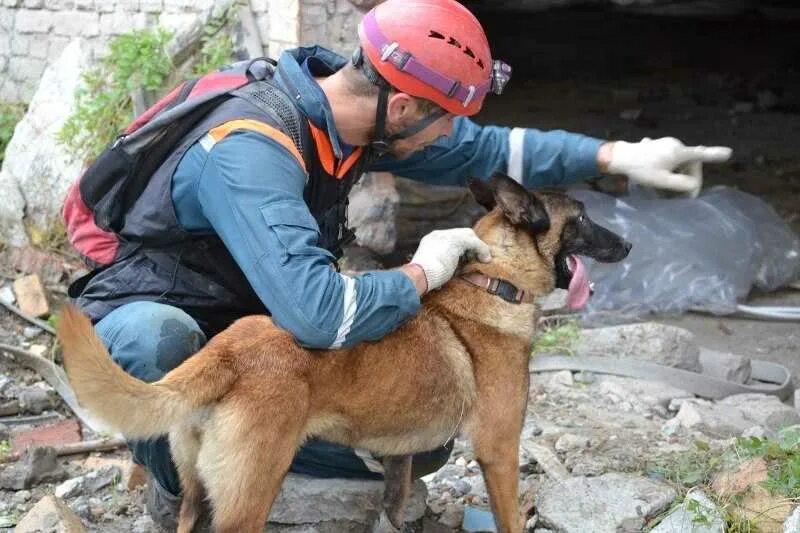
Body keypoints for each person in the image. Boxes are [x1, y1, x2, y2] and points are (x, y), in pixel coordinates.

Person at [65, 0, 731, 528]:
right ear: (404, 106)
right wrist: (424, 270)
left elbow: (489, 148)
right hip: (154, 314)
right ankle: (182, 480)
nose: (450, 137)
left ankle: (248, 454)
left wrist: (614, 155)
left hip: (250, 332)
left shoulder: (355, 121)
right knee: (160, 344)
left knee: (425, 434)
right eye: (443, 121)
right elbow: (317, 312)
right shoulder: (251, 149)